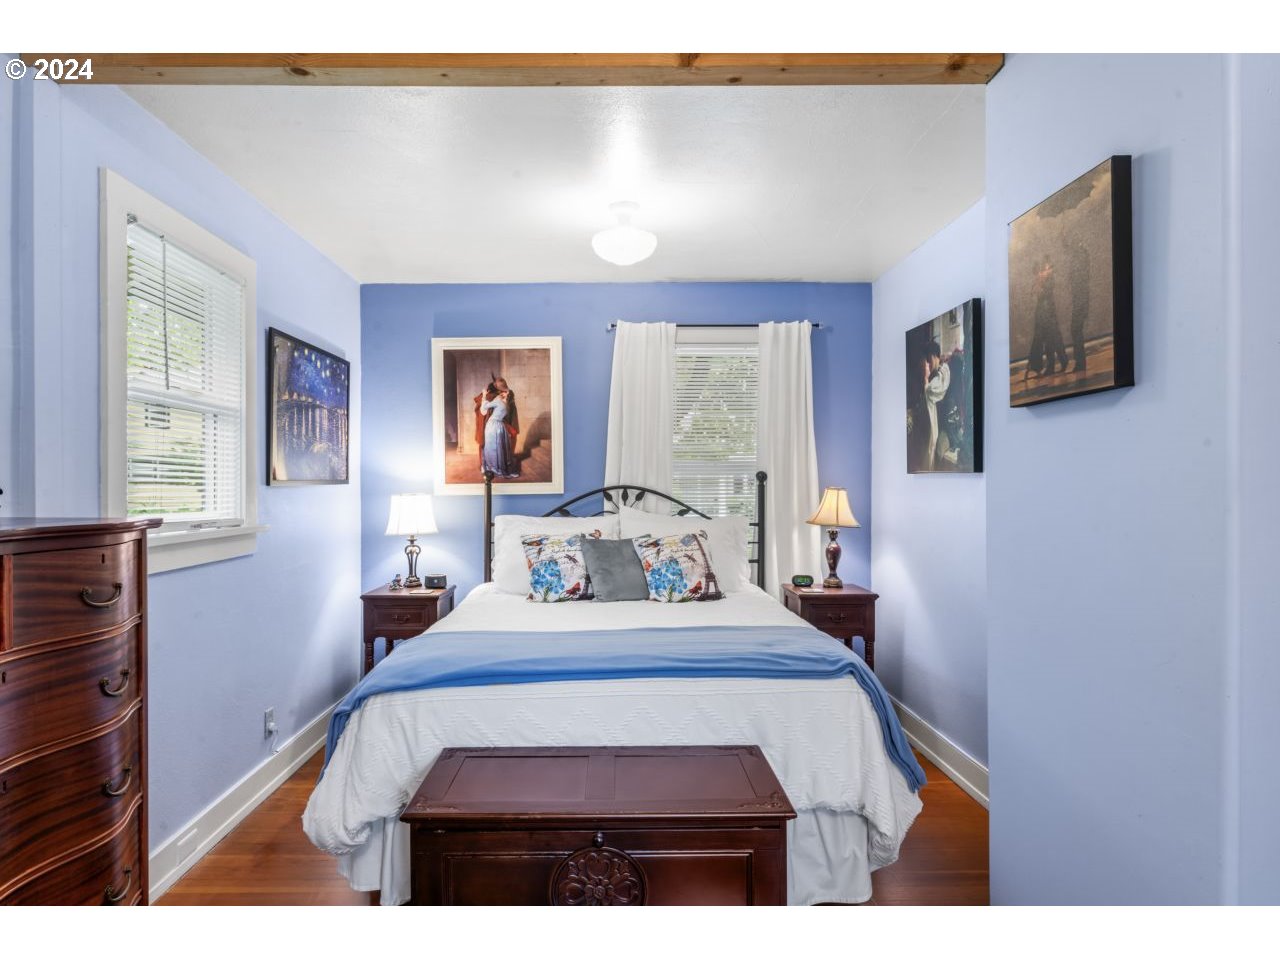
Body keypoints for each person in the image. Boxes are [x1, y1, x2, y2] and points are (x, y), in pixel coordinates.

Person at [1025, 254, 1069, 379]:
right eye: (1043, 268)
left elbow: (1043, 293)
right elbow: (1034, 293)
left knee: (1053, 339)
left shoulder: (1049, 279)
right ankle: (1055, 364)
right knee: (1050, 340)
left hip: (1047, 313)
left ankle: (1060, 362)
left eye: (1046, 267)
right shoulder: (1043, 278)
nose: (1044, 270)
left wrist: (1040, 282)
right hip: (1044, 313)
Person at [473, 374, 520, 474]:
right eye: (502, 390)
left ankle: (502, 463)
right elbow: (483, 410)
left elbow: (509, 410)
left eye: (504, 391)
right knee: (485, 444)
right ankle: (485, 465)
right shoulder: (491, 396)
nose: (504, 392)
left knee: (504, 441)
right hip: (489, 424)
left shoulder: (507, 396)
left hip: (499, 423)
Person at [923, 341, 950, 470]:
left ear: (935, 356)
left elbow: (930, 389)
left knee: (936, 452)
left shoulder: (944, 372)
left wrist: (926, 380)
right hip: (938, 425)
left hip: (947, 427)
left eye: (929, 360)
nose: (928, 364)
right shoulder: (937, 373)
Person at [1068, 240, 1091, 373]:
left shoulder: (1080, 272)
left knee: (1075, 330)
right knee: (1075, 330)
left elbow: (1073, 249)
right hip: (1080, 302)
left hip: (1080, 303)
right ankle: (1080, 362)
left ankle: (1080, 363)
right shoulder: (1081, 269)